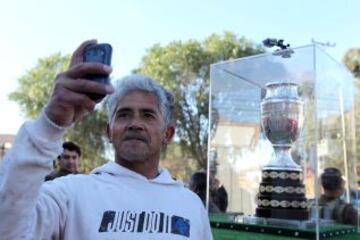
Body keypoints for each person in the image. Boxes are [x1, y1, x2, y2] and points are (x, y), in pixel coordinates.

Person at [0, 40, 213, 240]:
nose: (135, 124)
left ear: (168, 134)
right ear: (109, 132)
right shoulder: (70, 193)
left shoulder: (191, 205)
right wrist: (49, 124)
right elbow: (8, 229)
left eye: (147, 115)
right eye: (124, 114)